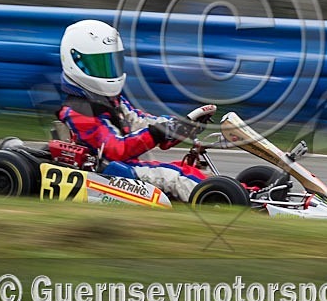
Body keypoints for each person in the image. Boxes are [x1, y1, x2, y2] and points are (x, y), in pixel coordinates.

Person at [56, 19, 212, 201]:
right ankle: (220, 198)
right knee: (174, 176)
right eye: (99, 64)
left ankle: (246, 190)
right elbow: (116, 149)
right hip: (106, 174)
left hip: (124, 167)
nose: (108, 71)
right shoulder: (78, 110)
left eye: (111, 63)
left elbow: (139, 122)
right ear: (75, 62)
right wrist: (158, 133)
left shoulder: (109, 99)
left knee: (188, 169)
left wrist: (179, 126)